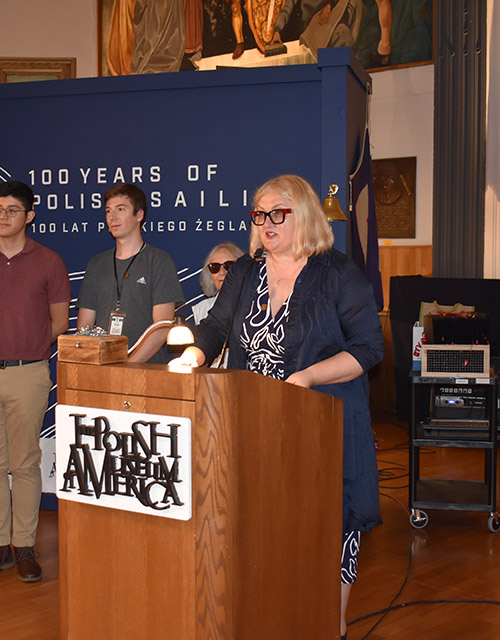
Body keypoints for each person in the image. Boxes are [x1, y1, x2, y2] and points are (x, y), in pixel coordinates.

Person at [171, 175, 383, 639]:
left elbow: (369, 348)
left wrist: (308, 377)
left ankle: (331, 626)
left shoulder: (337, 273)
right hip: (256, 427)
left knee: (328, 530)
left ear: (302, 213)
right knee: (264, 530)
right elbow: (217, 326)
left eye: (277, 213)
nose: (266, 222)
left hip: (321, 426)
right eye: (259, 214)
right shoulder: (246, 272)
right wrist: (195, 353)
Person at [0, 180, 70, 584]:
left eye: (12, 210)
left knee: (24, 463)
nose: (2, 216)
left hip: (29, 374)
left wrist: (25, 346)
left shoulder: (49, 262)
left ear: (30, 215)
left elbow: (59, 322)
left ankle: (24, 546)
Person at [77, 183, 185, 363]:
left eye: (121, 209)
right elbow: (84, 327)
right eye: (108, 211)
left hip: (145, 369)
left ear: (139, 215)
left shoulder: (159, 261)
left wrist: (128, 366)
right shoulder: (96, 264)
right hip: (101, 368)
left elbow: (162, 328)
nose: (112, 217)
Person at [192, 242, 244, 368]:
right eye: (215, 267)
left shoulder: (255, 305)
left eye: (229, 266)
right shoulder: (201, 309)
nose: (222, 272)